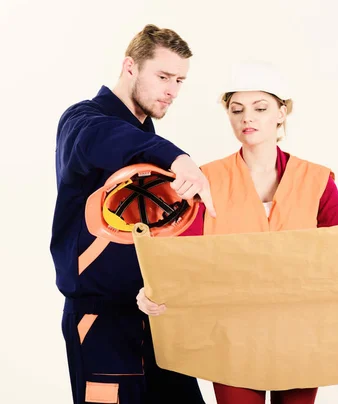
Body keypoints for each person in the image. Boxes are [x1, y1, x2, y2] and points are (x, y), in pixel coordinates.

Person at [136, 61, 338, 404]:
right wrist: (154, 290)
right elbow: (185, 256)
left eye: (260, 108)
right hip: (230, 336)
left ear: (281, 113)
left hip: (303, 335)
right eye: (237, 110)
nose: (248, 118)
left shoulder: (317, 179)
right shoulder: (207, 180)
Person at [51, 24, 213, 404]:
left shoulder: (150, 142)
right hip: (101, 319)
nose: (172, 90)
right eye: (162, 76)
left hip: (156, 317)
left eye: (179, 80)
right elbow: (105, 139)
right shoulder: (83, 121)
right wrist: (178, 157)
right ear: (130, 67)